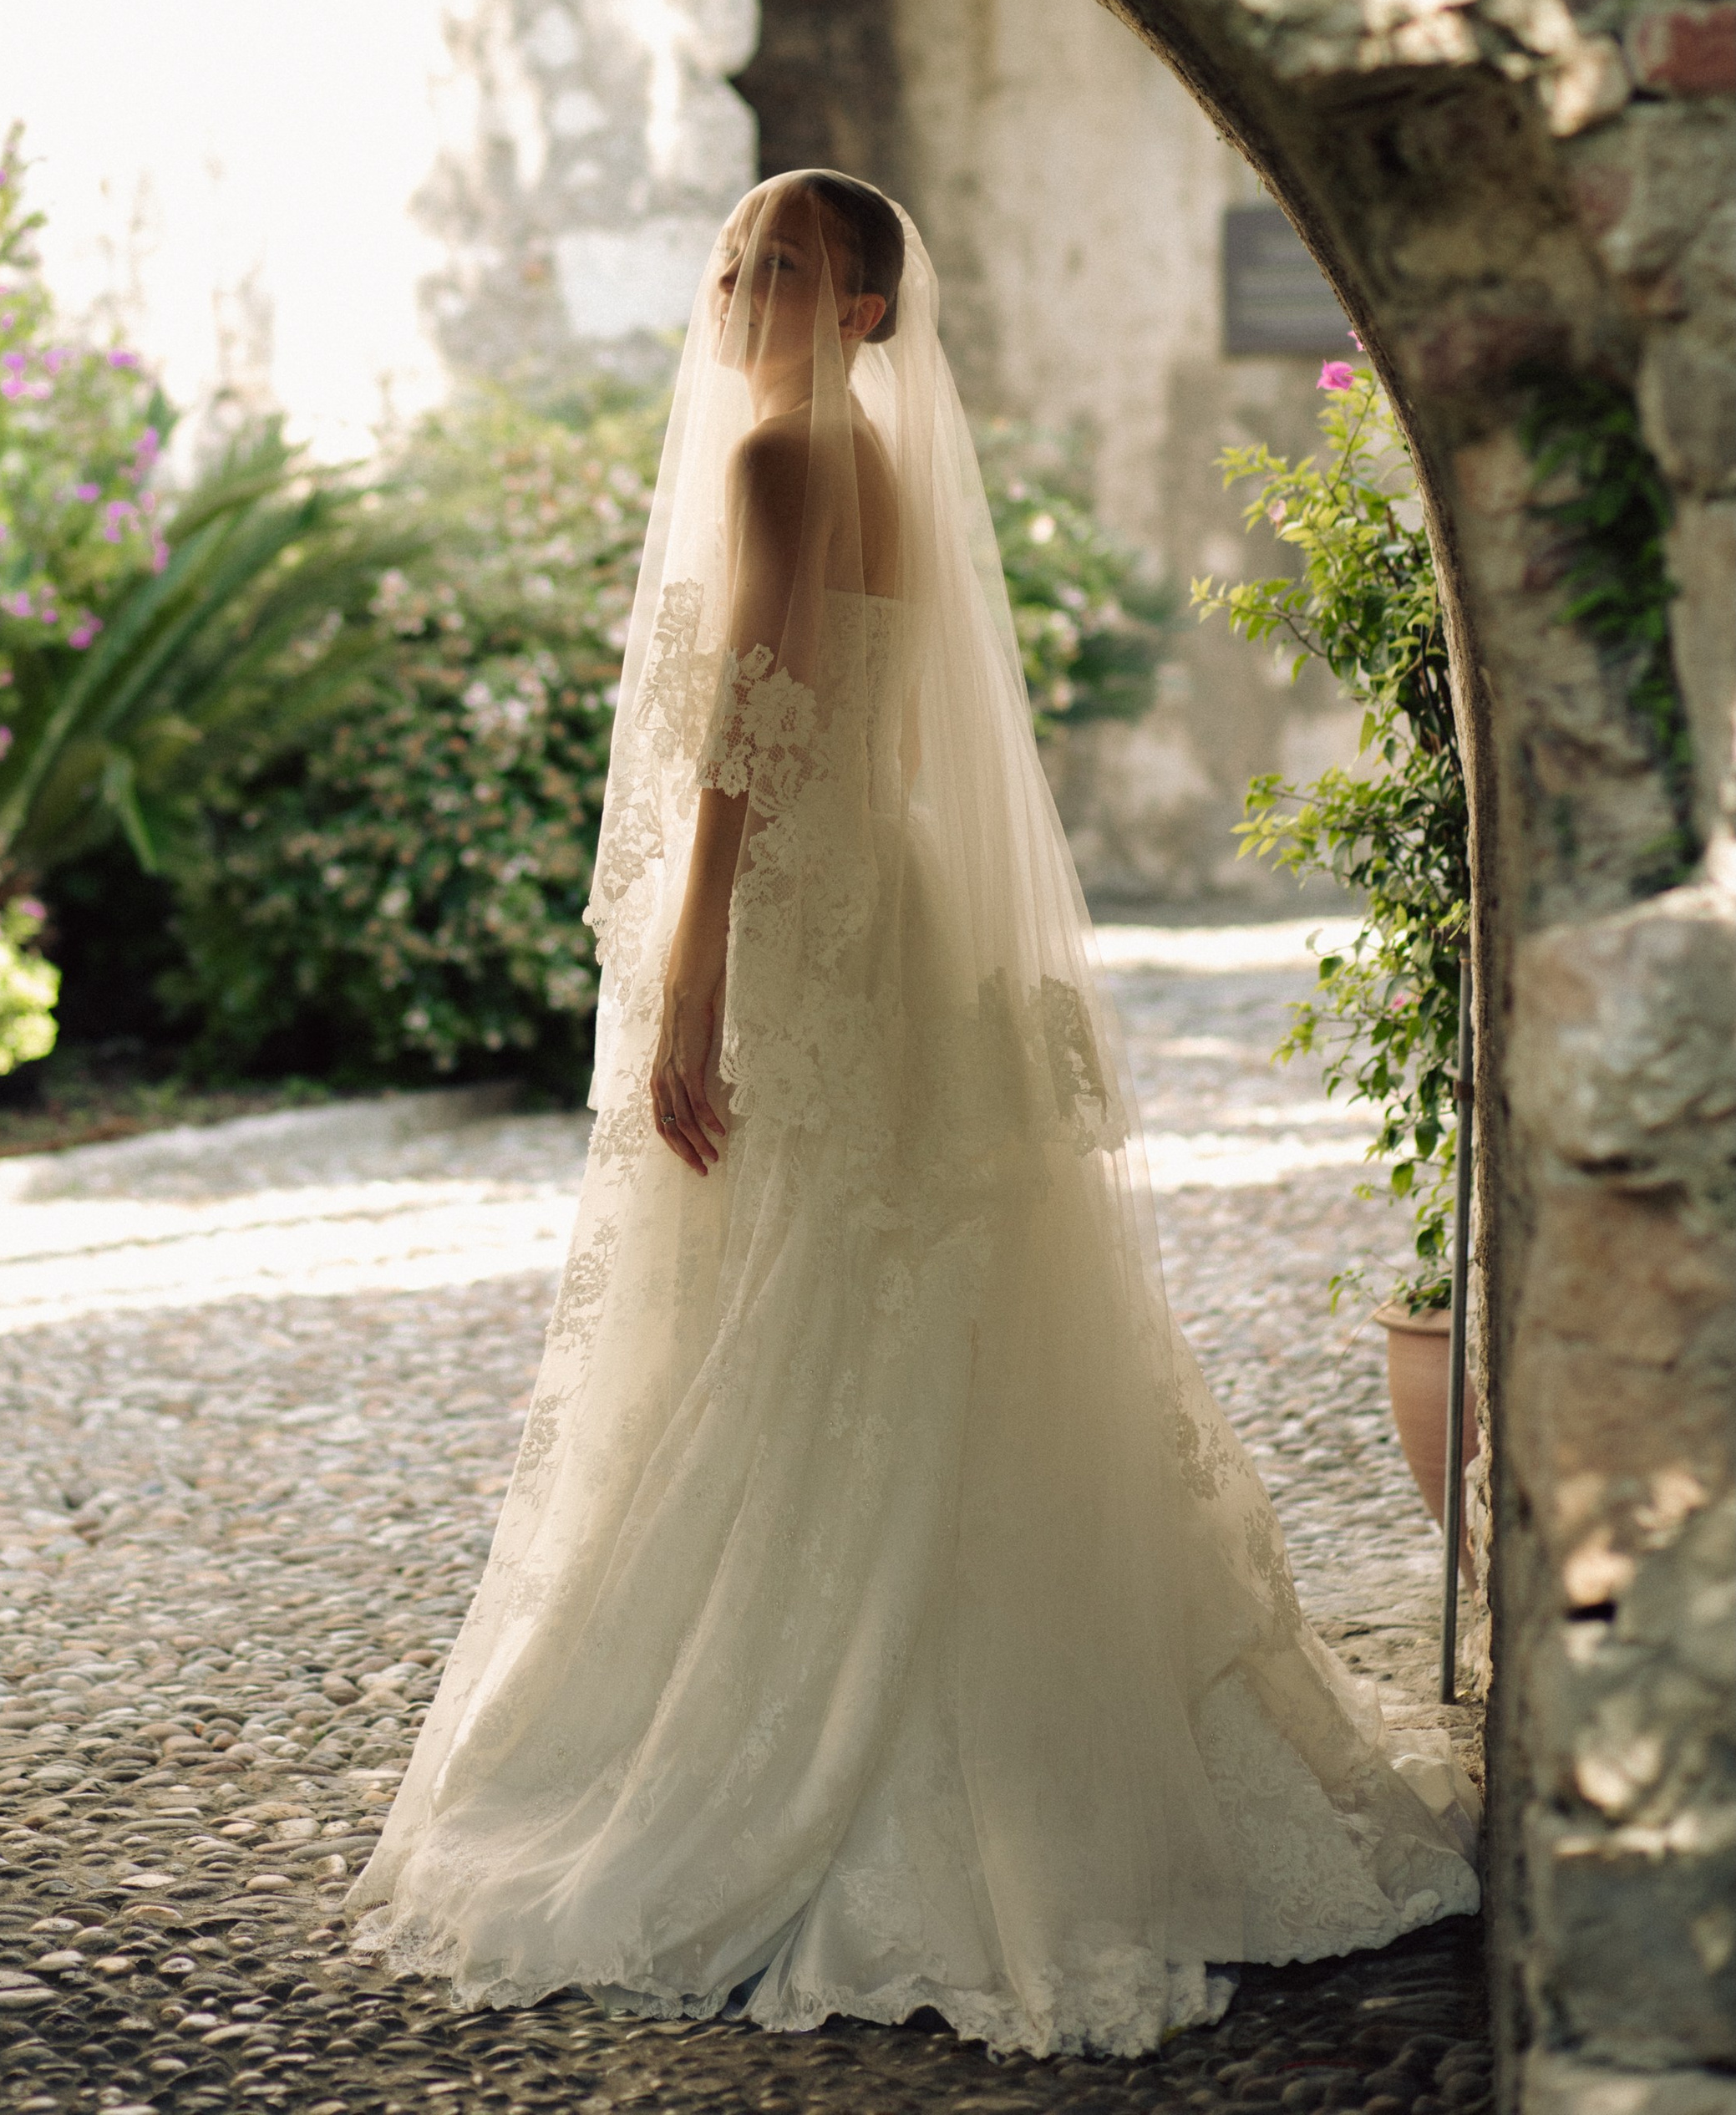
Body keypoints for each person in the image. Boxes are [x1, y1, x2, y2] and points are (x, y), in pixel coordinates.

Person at [348, 171, 1478, 2057]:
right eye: (731, 262)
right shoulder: (871, 450)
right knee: (896, 1273)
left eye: (779, 267)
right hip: (897, 899)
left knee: (791, 1274)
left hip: (798, 909)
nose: (737, 292)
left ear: (863, 301)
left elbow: (750, 736)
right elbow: (860, 730)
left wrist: (693, 968)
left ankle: (796, 1737)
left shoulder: (778, 459)